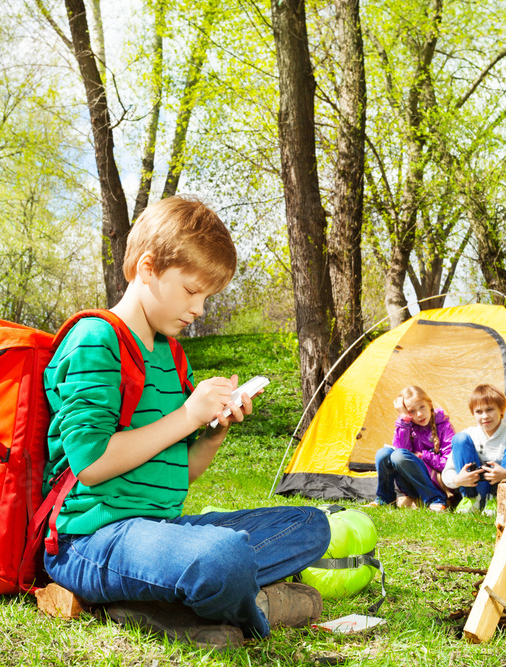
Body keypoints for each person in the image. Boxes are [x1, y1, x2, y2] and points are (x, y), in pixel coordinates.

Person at [41, 196, 331, 648]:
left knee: (310, 526)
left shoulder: (171, 356)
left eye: (207, 297)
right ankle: (251, 608)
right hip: (90, 541)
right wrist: (186, 416)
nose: (199, 309)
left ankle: (163, 605)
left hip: (159, 534)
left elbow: (183, 470)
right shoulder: (95, 339)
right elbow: (92, 463)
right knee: (223, 557)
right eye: (192, 290)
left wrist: (214, 431)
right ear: (148, 268)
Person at [442, 383, 506, 516]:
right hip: (476, 487)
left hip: (504, 490)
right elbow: (446, 474)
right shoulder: (469, 434)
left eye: (490, 409)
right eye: (479, 411)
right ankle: (471, 500)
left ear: (501, 410)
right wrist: (458, 480)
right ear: (473, 413)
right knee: (460, 438)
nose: (484, 416)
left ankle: (498, 500)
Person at [368, 385, 455, 512]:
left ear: (430, 405)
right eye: (411, 411)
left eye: (422, 407)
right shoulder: (406, 426)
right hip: (409, 484)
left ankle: (436, 499)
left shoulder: (444, 427)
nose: (419, 414)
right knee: (383, 453)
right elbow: (399, 453)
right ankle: (385, 498)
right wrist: (404, 420)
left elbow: (448, 464)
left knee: (398, 455)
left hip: (435, 483)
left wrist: (424, 456)